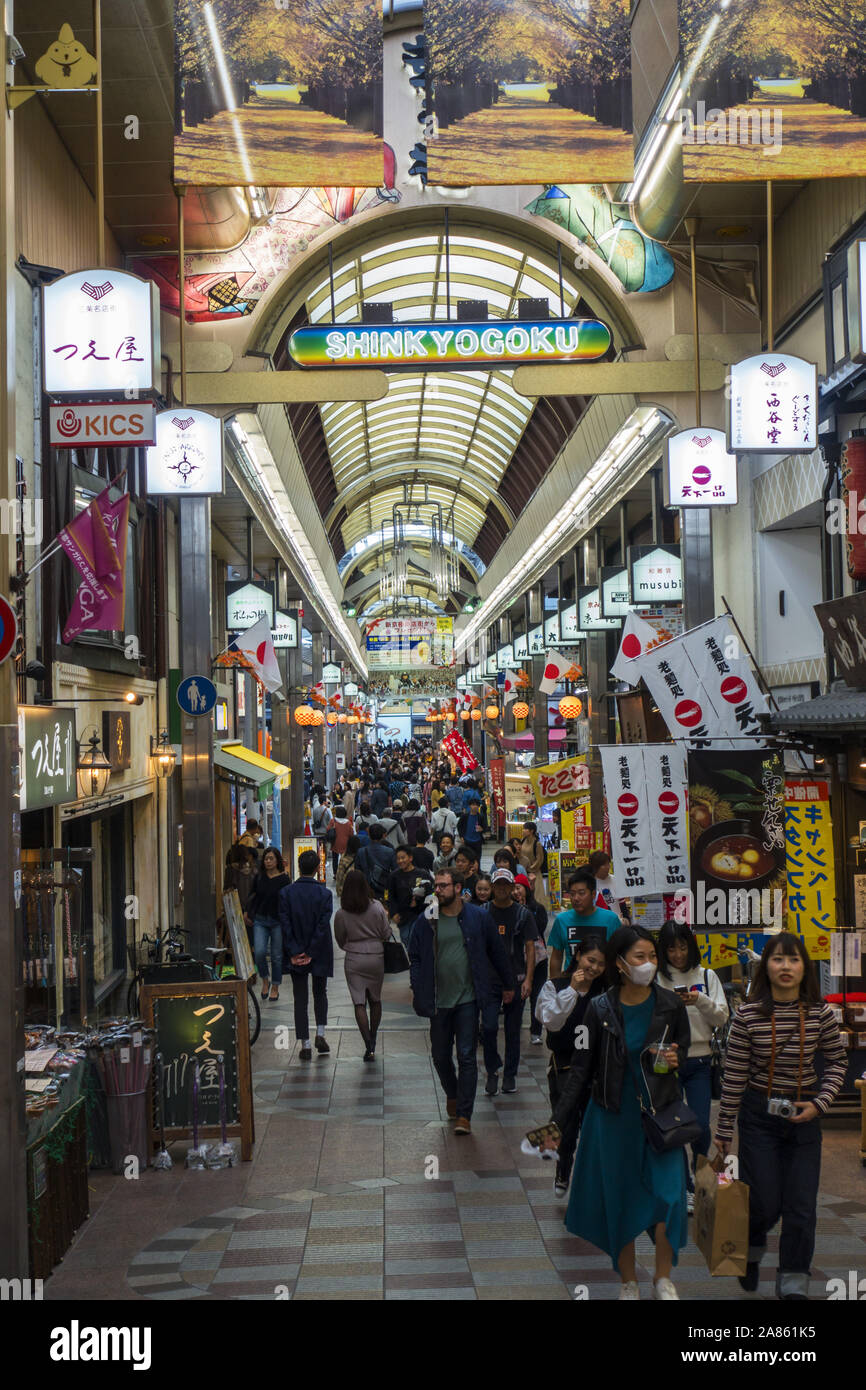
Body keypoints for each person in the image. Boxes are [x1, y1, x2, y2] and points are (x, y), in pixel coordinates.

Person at [546, 925, 690, 1300]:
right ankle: (628, 1281)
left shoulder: (670, 1005)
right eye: (640, 957)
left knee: (670, 1197)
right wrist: (558, 1121)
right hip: (611, 1118)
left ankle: (663, 1277)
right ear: (621, 964)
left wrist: (676, 1059)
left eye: (653, 956)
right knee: (620, 1200)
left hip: (660, 1118)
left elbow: (684, 1053)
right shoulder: (599, 1008)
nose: (649, 964)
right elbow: (581, 1069)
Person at [713, 933, 847, 1300]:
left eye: (793, 960)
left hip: (805, 1118)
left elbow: (837, 1062)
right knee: (765, 1202)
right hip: (759, 1117)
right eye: (777, 959)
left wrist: (819, 1103)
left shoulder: (820, 1014)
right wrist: (724, 1130)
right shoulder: (747, 1015)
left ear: (805, 967)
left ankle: (793, 1283)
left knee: (801, 1207)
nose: (786, 967)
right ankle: (753, 1244)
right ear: (765, 966)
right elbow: (735, 1074)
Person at [408, 867, 516, 1135]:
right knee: (440, 1056)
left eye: (444, 886)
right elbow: (416, 955)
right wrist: (417, 983)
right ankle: (453, 1093)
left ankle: (464, 1115)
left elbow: (497, 951)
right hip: (438, 1000)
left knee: (466, 1055)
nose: (439, 890)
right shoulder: (427, 919)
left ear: (457, 888)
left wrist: (508, 983)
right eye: (437, 886)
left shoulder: (478, 917)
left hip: (468, 998)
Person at [656, 920, 729, 1212]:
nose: (677, 954)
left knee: (699, 1126)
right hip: (667, 1061)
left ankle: (701, 1178)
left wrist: (698, 999)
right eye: (671, 948)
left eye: (683, 946)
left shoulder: (707, 976)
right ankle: (685, 1185)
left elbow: (722, 1018)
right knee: (671, 1128)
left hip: (699, 1060)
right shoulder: (657, 979)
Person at [535, 933, 606, 1196]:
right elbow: (551, 1021)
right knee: (566, 1122)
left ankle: (589, 1182)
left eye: (600, 963)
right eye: (590, 960)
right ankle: (563, 1169)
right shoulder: (555, 986)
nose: (594, 968)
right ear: (577, 956)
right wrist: (572, 991)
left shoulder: (606, 991)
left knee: (592, 1126)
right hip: (564, 1066)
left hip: (598, 1068)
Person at [481, 868, 537, 1096]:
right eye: (499, 884)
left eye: (507, 884)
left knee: (513, 1031)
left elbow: (531, 948)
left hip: (516, 979)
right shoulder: (483, 912)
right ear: (493, 887)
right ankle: (493, 1070)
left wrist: (529, 980)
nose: (502, 888)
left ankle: (510, 1075)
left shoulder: (523, 914)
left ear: (513, 886)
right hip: (489, 981)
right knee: (489, 1027)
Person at [279, 849, 334, 1060]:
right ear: (318, 867)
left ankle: (306, 1043)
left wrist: (295, 951)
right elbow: (322, 925)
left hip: (295, 952)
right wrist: (311, 951)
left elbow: (285, 924)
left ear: (298, 866)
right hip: (319, 951)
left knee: (299, 997)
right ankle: (321, 1032)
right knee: (320, 992)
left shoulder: (286, 893)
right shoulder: (325, 894)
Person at [334, 869, 392, 1061]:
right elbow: (386, 933)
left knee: (359, 1002)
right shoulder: (376, 907)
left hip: (353, 958)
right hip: (376, 956)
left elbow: (340, 938)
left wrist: (351, 946)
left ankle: (368, 1044)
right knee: (375, 999)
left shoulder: (342, 913)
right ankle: (374, 1037)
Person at [547, 868, 621, 979]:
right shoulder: (562, 920)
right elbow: (557, 957)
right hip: (571, 984)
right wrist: (555, 986)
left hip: (602, 984)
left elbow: (618, 955)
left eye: (581, 893)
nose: (576, 898)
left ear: (593, 894)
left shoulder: (611, 919)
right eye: (572, 894)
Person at [244, 847, 291, 1001]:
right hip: (260, 919)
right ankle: (265, 979)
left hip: (277, 921)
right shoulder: (259, 877)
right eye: (266, 859)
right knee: (259, 953)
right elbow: (253, 896)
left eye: (271, 858)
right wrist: (247, 912)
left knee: (277, 956)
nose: (268, 861)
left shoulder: (284, 879)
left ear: (277, 860)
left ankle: (275, 986)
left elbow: (287, 902)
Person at [514, 872, 548, 1044]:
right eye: (513, 888)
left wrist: (525, 911)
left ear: (526, 889)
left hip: (539, 959)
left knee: (537, 995)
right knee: (518, 996)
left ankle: (536, 1032)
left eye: (519, 887)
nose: (516, 892)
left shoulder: (537, 908)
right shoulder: (510, 908)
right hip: (518, 959)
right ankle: (515, 1026)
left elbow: (539, 928)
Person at [388, 845, 433, 949]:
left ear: (410, 858)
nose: (400, 861)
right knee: (407, 941)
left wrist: (431, 914)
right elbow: (389, 895)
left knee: (418, 944)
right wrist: (393, 913)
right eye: (398, 858)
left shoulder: (423, 874)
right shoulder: (393, 876)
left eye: (403, 857)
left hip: (420, 915)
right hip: (403, 917)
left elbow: (432, 893)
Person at [355, 822, 396, 902]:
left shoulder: (361, 851)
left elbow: (357, 872)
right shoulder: (390, 851)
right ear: (383, 835)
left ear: (369, 835)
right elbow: (395, 871)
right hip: (384, 890)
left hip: (366, 891)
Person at [588, 850, 627, 919]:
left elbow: (622, 903)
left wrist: (626, 919)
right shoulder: (590, 884)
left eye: (608, 863)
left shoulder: (615, 880)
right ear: (595, 867)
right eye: (604, 865)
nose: (608, 867)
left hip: (618, 922)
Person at [457, 797, 485, 863]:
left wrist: (482, 829)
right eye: (473, 805)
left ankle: (478, 871)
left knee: (477, 858)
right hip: (467, 841)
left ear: (478, 806)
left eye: (476, 805)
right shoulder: (465, 816)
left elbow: (485, 827)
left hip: (477, 840)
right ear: (470, 806)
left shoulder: (480, 816)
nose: (474, 806)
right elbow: (459, 826)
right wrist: (461, 837)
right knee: (467, 858)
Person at [329, 803, 354, 877]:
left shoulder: (333, 821)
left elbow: (328, 829)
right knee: (344, 859)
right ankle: (344, 872)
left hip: (335, 843)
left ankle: (335, 873)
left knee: (335, 859)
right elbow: (351, 834)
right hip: (345, 843)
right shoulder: (348, 823)